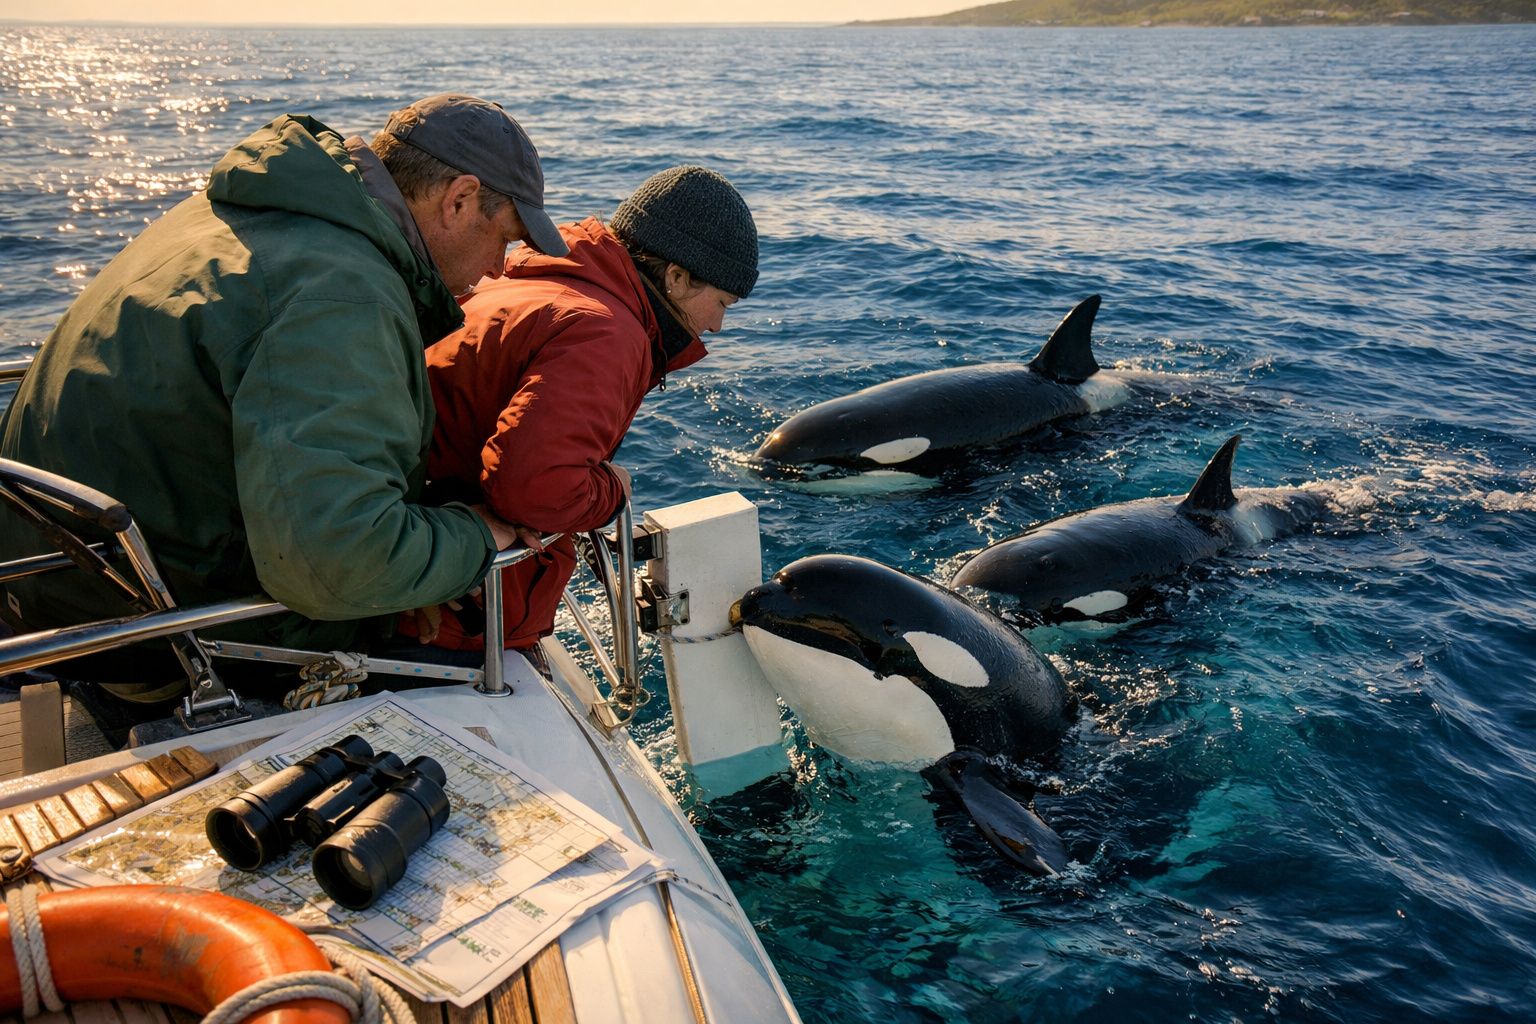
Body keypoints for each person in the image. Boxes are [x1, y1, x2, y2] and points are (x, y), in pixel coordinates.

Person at [0, 93, 568, 695]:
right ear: (458, 199)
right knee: (502, 681)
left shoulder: (235, 211)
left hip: (51, 582)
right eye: (503, 239)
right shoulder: (341, 295)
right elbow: (335, 568)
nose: (498, 270)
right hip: (142, 638)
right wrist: (479, 534)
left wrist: (401, 576)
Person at [403, 165, 758, 669]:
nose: (717, 326)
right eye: (720, 303)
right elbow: (533, 487)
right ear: (676, 278)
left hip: (415, 564)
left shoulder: (531, 283)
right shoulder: (604, 333)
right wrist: (614, 488)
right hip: (450, 617)